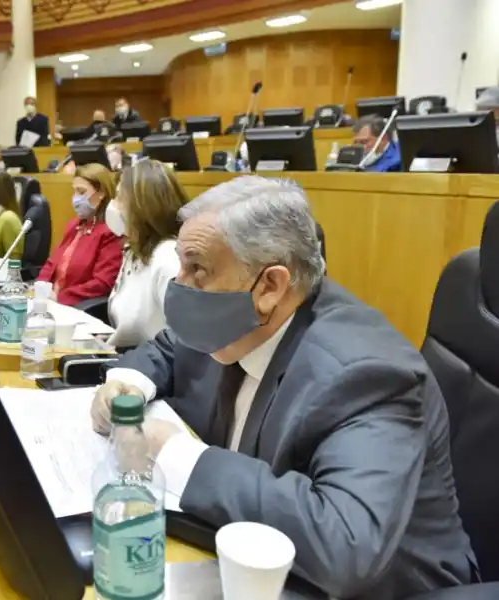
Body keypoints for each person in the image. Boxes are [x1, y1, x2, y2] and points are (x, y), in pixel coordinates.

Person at [90, 175, 475, 599]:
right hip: (239, 562)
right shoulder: (228, 315)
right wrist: (127, 384)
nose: (179, 285)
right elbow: (167, 347)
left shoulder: (367, 374)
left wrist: (177, 455)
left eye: (196, 267)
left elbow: (345, 546)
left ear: (270, 286)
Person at [106, 160, 188, 349]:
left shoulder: (169, 259)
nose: (112, 206)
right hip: (126, 358)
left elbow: (182, 344)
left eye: (119, 197)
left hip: (152, 369)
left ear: (142, 207)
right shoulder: (134, 251)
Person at [37, 163, 122, 306]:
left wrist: (60, 297)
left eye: (81, 192)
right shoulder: (74, 225)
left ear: (101, 193)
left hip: (76, 307)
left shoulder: (110, 231)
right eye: (74, 192)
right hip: (50, 302)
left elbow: (102, 283)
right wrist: (41, 287)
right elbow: (52, 263)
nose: (76, 199)